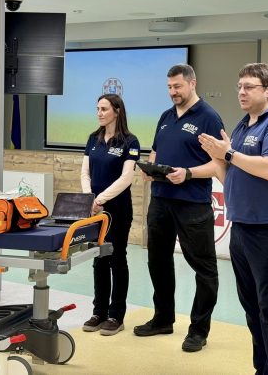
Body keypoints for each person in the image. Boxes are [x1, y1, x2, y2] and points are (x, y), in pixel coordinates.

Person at [198, 62, 268, 375]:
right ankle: (262, 369)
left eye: (249, 87)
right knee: (253, 309)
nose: (241, 92)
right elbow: (230, 175)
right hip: (242, 228)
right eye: (239, 86)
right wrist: (218, 158)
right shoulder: (242, 126)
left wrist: (228, 154)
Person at [133, 64, 224, 353]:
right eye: (169, 87)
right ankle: (163, 319)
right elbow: (155, 151)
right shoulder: (165, 116)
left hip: (193, 204)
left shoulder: (209, 117)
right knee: (157, 261)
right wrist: (150, 168)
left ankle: (198, 330)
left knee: (204, 268)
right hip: (161, 200)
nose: (173, 92)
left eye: (178, 86)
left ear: (192, 83)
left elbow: (219, 164)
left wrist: (188, 173)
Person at [80, 94, 140, 337]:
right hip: (95, 210)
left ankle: (116, 315)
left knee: (117, 258)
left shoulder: (130, 141)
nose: (99, 113)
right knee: (99, 259)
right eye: (97, 109)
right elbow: (85, 173)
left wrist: (100, 199)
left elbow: (126, 178)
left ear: (117, 111)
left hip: (118, 210)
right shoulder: (93, 138)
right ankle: (99, 312)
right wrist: (89, 199)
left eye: (104, 109)